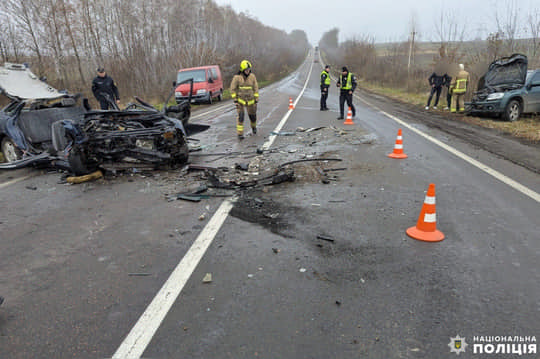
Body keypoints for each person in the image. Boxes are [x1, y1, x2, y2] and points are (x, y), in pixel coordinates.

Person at [230, 60, 259, 139]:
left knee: (253, 117)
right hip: (240, 101)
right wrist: (235, 100)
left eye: (249, 69)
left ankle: (254, 128)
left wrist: (256, 98)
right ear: (242, 70)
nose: (248, 71)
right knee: (241, 117)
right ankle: (240, 134)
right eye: (246, 70)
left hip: (251, 101)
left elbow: (255, 87)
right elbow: (232, 89)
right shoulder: (237, 78)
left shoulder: (252, 77)